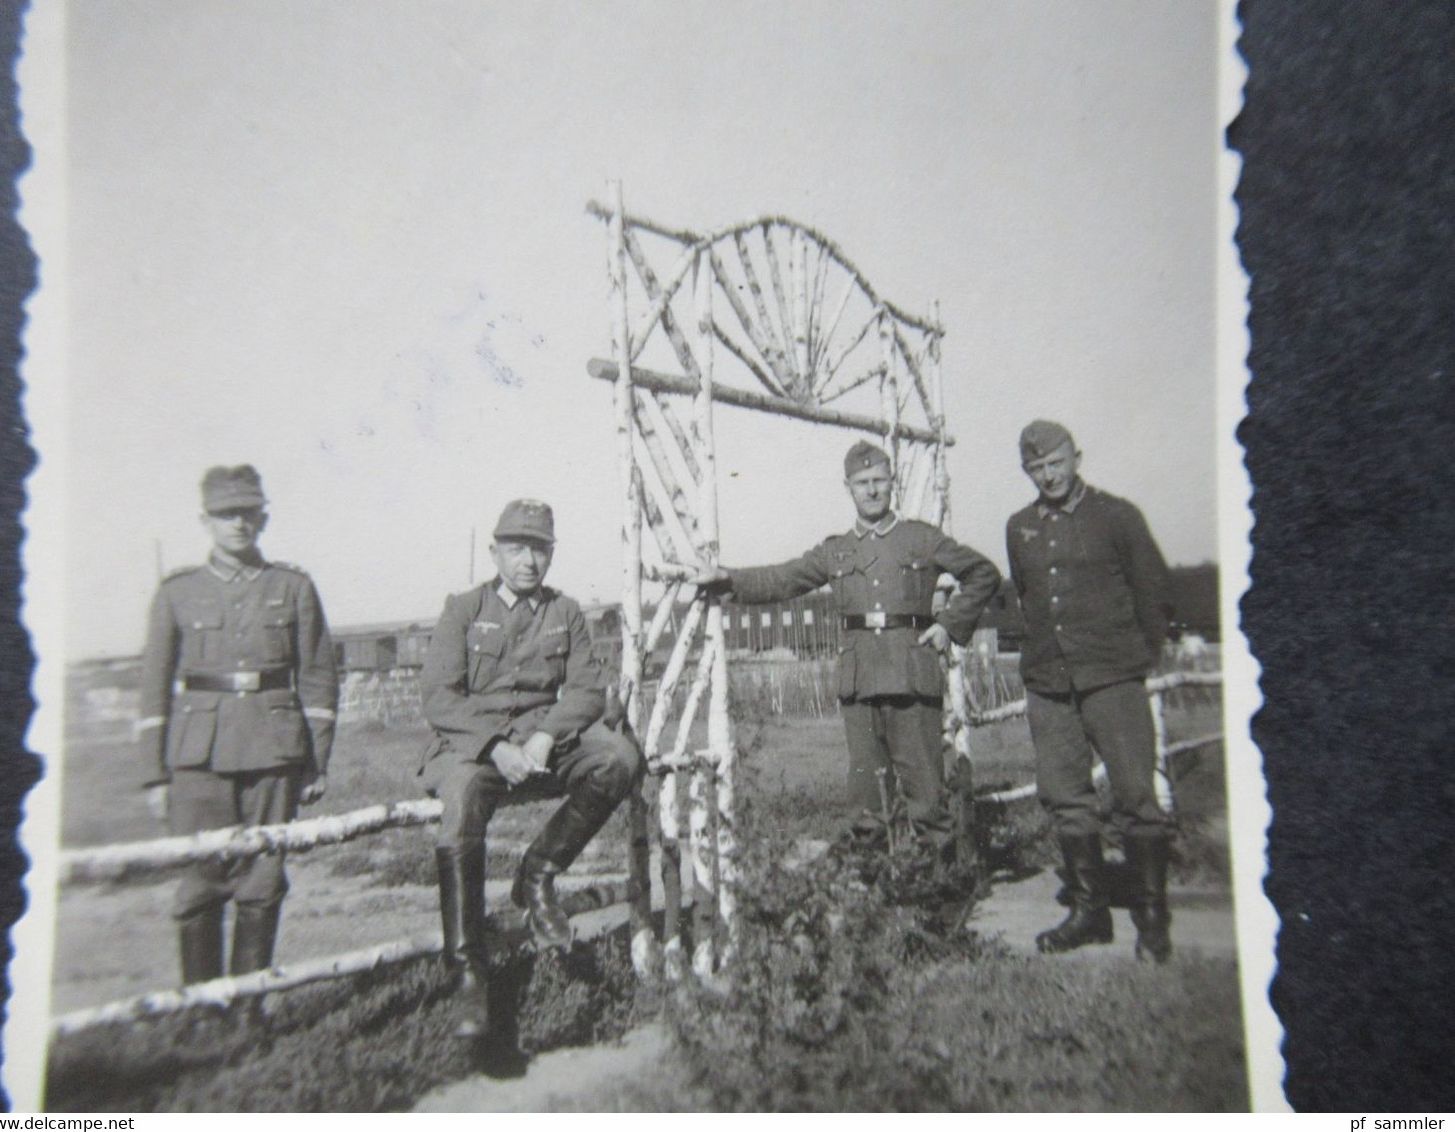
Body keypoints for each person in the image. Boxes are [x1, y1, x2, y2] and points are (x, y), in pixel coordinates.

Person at [693, 440, 1000, 862]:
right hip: (859, 680)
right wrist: (728, 578)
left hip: (912, 675)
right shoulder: (836, 550)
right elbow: (784, 579)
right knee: (865, 797)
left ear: (893, 483)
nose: (872, 490)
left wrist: (949, 627)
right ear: (848, 488)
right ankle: (870, 894)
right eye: (862, 483)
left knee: (925, 791)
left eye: (879, 481)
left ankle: (941, 895)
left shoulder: (921, 539)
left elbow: (984, 573)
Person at [418, 498, 641, 1038]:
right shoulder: (464, 609)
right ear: (495, 551)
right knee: (464, 795)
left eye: (539, 549)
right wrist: (496, 747)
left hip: (543, 742)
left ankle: (537, 873)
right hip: (475, 746)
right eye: (516, 548)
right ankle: (469, 970)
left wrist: (546, 735)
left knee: (618, 759)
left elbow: (587, 688)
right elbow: (439, 696)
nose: (528, 561)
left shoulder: (564, 612)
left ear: (551, 555)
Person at [137, 465, 338, 984]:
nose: (238, 524)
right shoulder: (177, 593)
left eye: (248, 513)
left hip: (275, 752)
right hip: (197, 756)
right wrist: (154, 775)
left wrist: (315, 763)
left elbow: (317, 676)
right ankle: (203, 1009)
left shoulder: (292, 586)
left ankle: (248, 1006)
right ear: (206, 521)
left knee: (263, 877)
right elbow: (153, 686)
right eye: (227, 514)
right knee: (200, 880)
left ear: (263, 517)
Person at [1005, 420, 1175, 961]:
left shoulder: (1117, 516)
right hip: (1051, 683)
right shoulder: (1020, 526)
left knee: (1135, 794)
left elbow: (1153, 592)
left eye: (1056, 463)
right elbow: (1029, 599)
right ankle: (1089, 913)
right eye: (1037, 468)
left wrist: (1137, 659)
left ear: (1076, 457)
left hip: (1113, 677)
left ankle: (1152, 917)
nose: (1049, 475)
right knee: (1065, 796)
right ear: (1027, 471)